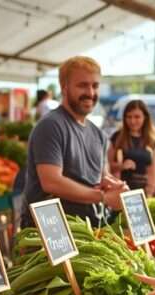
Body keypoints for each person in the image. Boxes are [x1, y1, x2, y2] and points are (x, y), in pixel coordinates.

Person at [20, 56, 125, 228]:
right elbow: (51, 182)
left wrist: (115, 186)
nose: (90, 93)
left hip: (89, 231)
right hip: (51, 236)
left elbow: (102, 176)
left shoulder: (97, 134)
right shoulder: (51, 126)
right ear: (64, 87)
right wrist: (103, 197)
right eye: (82, 85)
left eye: (95, 86)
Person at [107, 99, 155, 196]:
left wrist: (150, 190)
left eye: (137, 117)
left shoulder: (152, 140)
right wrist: (121, 166)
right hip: (123, 191)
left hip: (145, 192)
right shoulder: (117, 137)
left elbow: (153, 170)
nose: (132, 121)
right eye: (129, 117)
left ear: (145, 117)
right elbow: (108, 166)